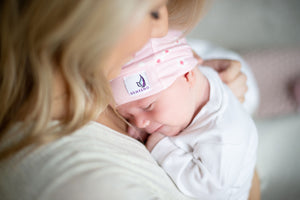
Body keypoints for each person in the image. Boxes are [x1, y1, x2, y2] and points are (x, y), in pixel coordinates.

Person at [0, 0, 258, 199]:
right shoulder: (90, 185)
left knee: (244, 76)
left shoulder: (92, 80)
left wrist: (206, 92)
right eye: (152, 11)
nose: (161, 26)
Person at [110, 30, 258, 199]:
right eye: (129, 117)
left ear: (188, 76)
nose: (140, 123)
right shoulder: (184, 93)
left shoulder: (225, 136)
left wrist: (159, 145)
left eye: (148, 107)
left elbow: (210, 188)